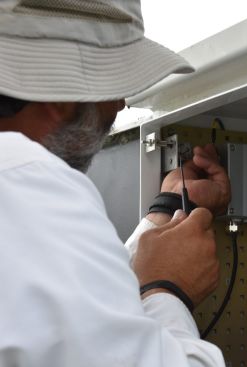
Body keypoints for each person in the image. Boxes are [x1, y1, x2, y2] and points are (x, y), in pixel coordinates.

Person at [0, 0, 229, 366]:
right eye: (114, 83)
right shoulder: (30, 181)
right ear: (62, 88)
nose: (121, 103)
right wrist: (168, 291)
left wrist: (168, 206)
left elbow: (81, 303)